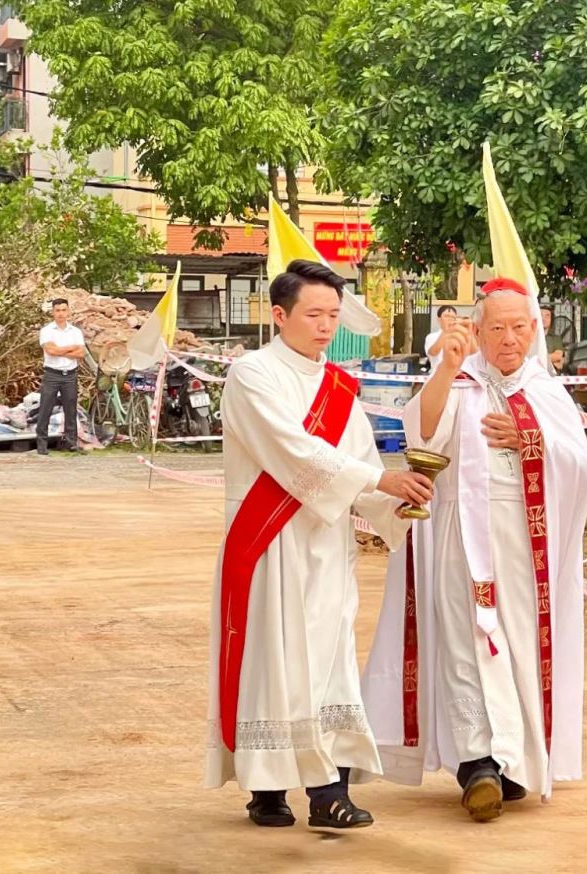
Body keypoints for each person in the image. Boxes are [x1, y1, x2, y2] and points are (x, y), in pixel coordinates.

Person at [361, 165, 587, 824]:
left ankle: (513, 762)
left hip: (524, 544)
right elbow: (421, 430)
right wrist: (446, 368)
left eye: (521, 328)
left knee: (515, 641)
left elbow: (579, 466)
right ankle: (477, 764)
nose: (511, 339)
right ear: (480, 330)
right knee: (464, 644)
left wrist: (528, 439)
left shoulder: (544, 393)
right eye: (498, 329)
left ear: (535, 328)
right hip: (461, 537)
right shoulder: (460, 381)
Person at [205, 260, 433, 830]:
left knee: (326, 662)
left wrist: (392, 501)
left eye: (333, 314)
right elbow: (293, 451)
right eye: (314, 314)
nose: (325, 325)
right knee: (271, 661)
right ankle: (269, 785)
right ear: (279, 316)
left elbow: (360, 461)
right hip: (269, 543)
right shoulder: (251, 375)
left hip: (325, 545)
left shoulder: (339, 387)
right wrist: (378, 482)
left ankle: (325, 790)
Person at [36, 297, 85, 456]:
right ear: (53, 312)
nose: (61, 314)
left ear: (68, 311)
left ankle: (71, 442)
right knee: (45, 408)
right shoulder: (47, 331)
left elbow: (80, 353)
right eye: (57, 310)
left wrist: (61, 350)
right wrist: (70, 348)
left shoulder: (76, 332)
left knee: (70, 409)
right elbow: (51, 351)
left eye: (64, 310)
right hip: (52, 374)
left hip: (70, 375)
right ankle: (42, 443)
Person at [424, 306, 458, 371]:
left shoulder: (459, 336)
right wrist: (446, 331)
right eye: (446, 316)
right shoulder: (431, 337)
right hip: (437, 376)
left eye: (453, 317)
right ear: (439, 319)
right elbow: (433, 352)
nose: (450, 319)